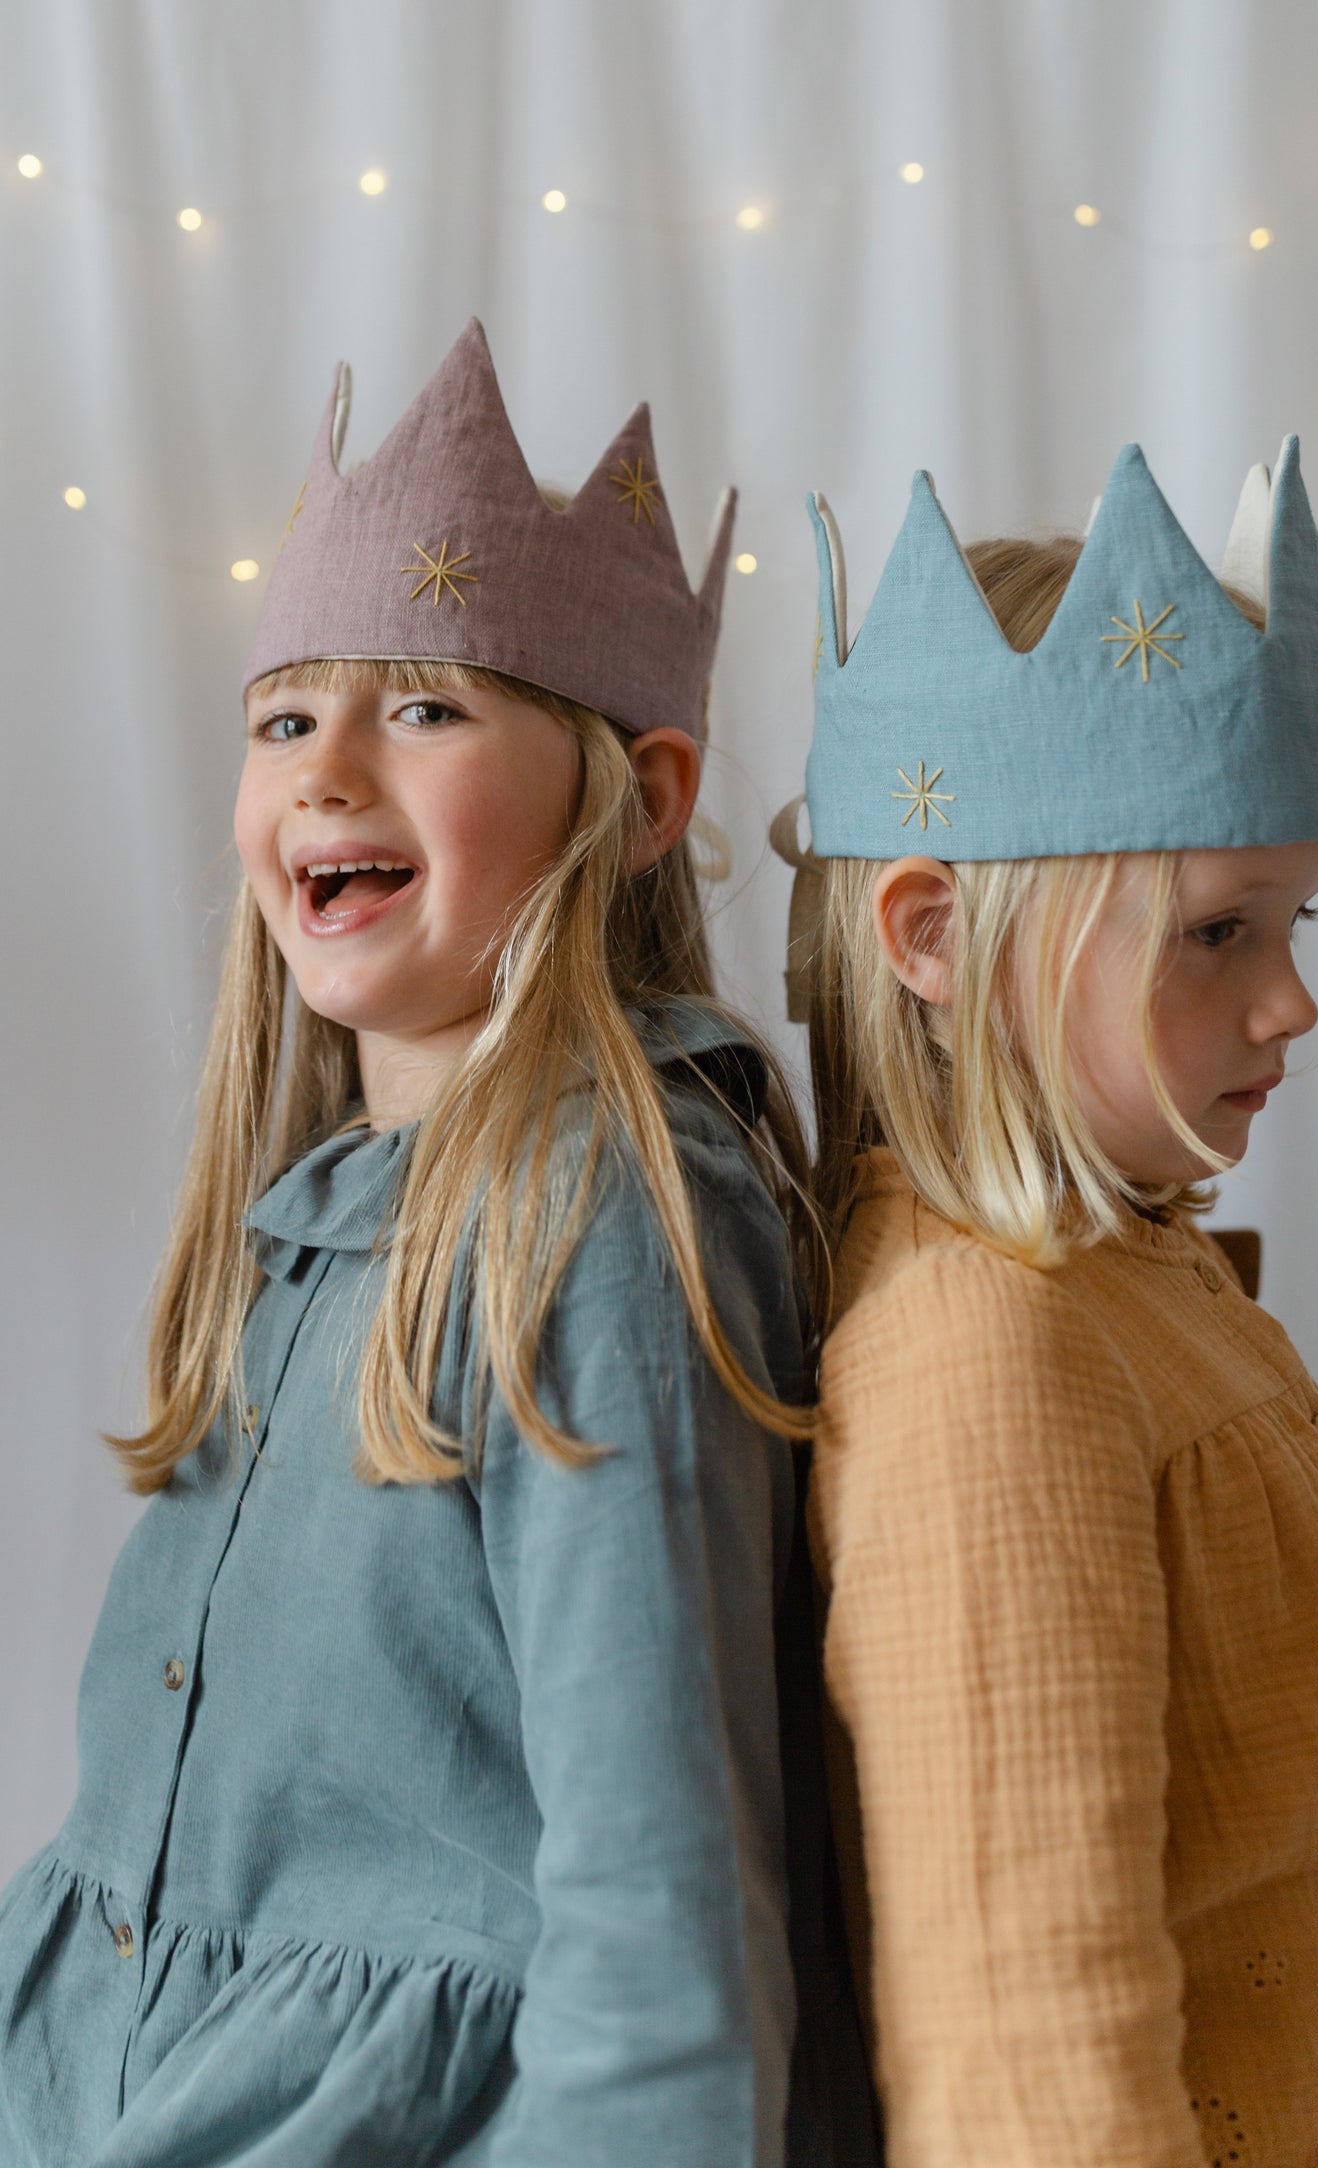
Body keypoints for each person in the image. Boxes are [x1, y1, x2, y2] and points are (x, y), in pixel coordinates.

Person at [0, 319, 874, 2167]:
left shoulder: (604, 1220)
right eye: (283, 719)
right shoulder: (308, 1212)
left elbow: (663, 1926)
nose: (323, 773)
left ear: (639, 802)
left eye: (424, 707)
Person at [775, 442, 1318, 2164]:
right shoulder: (982, 1355)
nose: (1290, 1001)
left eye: (1293, 924)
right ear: (929, 933)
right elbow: (1022, 2047)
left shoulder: (1124, 1273)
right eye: (1219, 932)